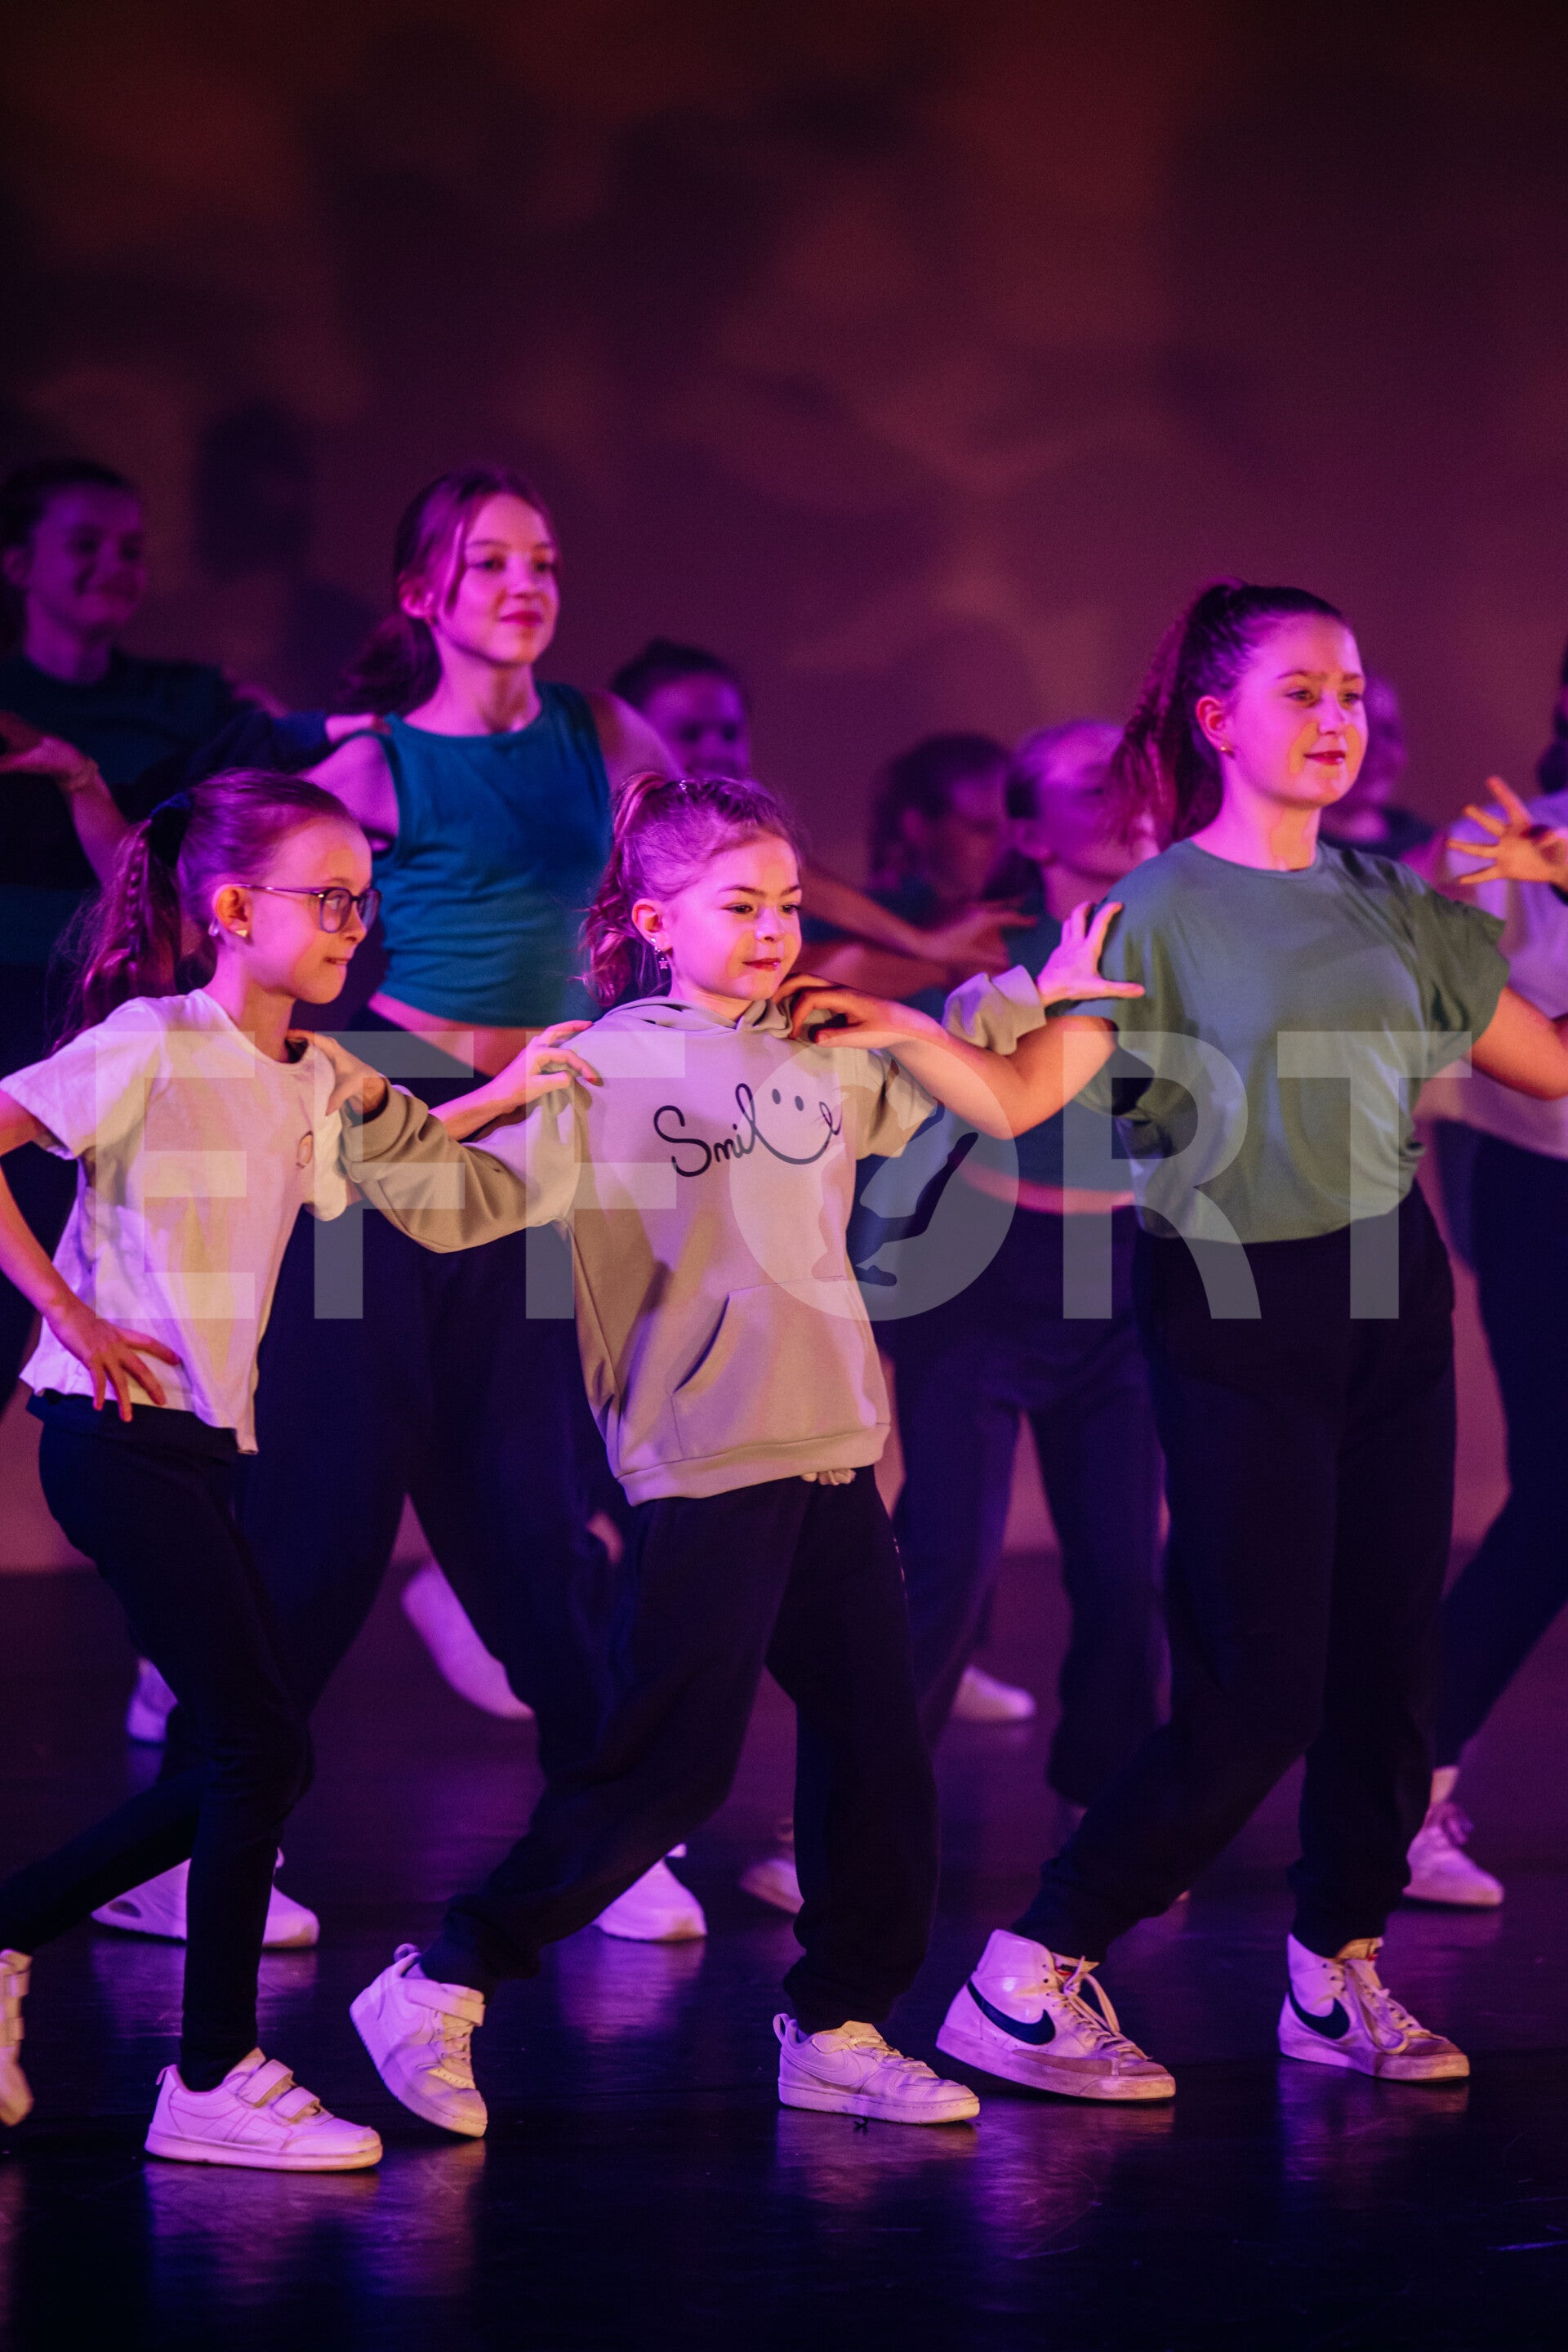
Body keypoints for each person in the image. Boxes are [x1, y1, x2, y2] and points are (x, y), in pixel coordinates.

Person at [326, 768, 1134, 2134]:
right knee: (670, 1769)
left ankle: (840, 2025)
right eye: (740, 906)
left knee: (880, 1750)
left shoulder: (817, 1043)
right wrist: (429, 1107)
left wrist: (1041, 994)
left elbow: (953, 1070)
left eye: (787, 905)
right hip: (705, 1463)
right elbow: (438, 1198)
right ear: (654, 920)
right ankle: (443, 1976)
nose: (772, 930)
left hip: (832, 1457)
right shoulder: (605, 1066)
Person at [886, 579, 1568, 2105]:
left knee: (1389, 1668)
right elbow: (1020, 1097)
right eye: (1301, 694)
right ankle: (1030, 1966)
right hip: (1233, 1297)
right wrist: (917, 1027)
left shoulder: (1393, 899)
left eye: (1351, 693)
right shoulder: (1155, 912)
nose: (1338, 719)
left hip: (1393, 1291)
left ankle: (1338, 1969)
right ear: (1216, 722)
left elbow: (1551, 1066)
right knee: (1263, 1689)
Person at [0, 770, 503, 2165]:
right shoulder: (151, 1042)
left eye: (362, 902)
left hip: (201, 1448)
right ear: (231, 910)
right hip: (110, 1437)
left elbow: (426, 1166)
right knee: (258, 1748)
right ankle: (211, 2075)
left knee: (253, 1753)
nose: (354, 924)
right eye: (329, 899)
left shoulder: (317, 1073)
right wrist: (69, 1311)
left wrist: (528, 1090)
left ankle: (23, 1941)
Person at [889, 721, 1165, 1811]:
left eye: (1135, 775)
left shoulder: (1182, 940)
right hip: (983, 1274)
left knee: (1125, 1575)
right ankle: (853, 1812)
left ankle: (1112, 1811)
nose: (1126, 797)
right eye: (1094, 784)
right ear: (1031, 831)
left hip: (1123, 1274)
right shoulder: (983, 945)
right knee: (947, 1566)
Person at [1396, 773, 1568, 1905]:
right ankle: (1411, 1776)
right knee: (1558, 1498)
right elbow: (1498, 1055)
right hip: (1542, 1192)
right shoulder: (1507, 839)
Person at [609, 639, 1027, 983]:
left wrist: (927, 946)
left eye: (730, 732)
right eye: (690, 733)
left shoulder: (754, 836)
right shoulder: (630, 836)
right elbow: (835, 964)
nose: (715, 750)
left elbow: (808, 887)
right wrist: (934, 954)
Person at [1316, 674, 1434, 859]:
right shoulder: (1280, 854)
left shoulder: (1432, 849)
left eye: (1388, 732)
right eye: (1355, 733)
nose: (1377, 749)